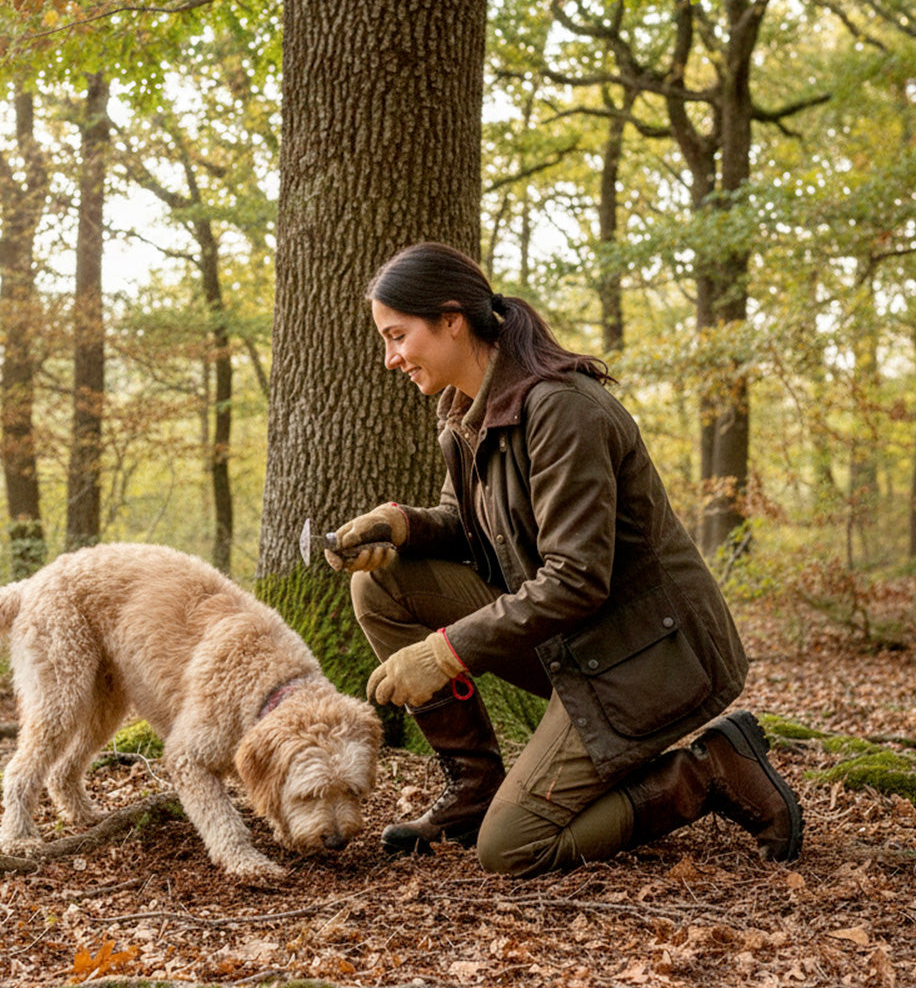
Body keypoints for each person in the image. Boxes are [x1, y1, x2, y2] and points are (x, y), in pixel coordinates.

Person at [325, 242, 802, 878]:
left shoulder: (561, 409)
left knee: (512, 848)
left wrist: (444, 653)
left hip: (650, 658)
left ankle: (709, 771)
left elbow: (577, 578)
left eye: (397, 336)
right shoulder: (463, 416)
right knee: (382, 587)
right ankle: (472, 790)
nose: (391, 359)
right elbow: (473, 532)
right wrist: (401, 526)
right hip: (575, 643)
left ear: (449, 319)